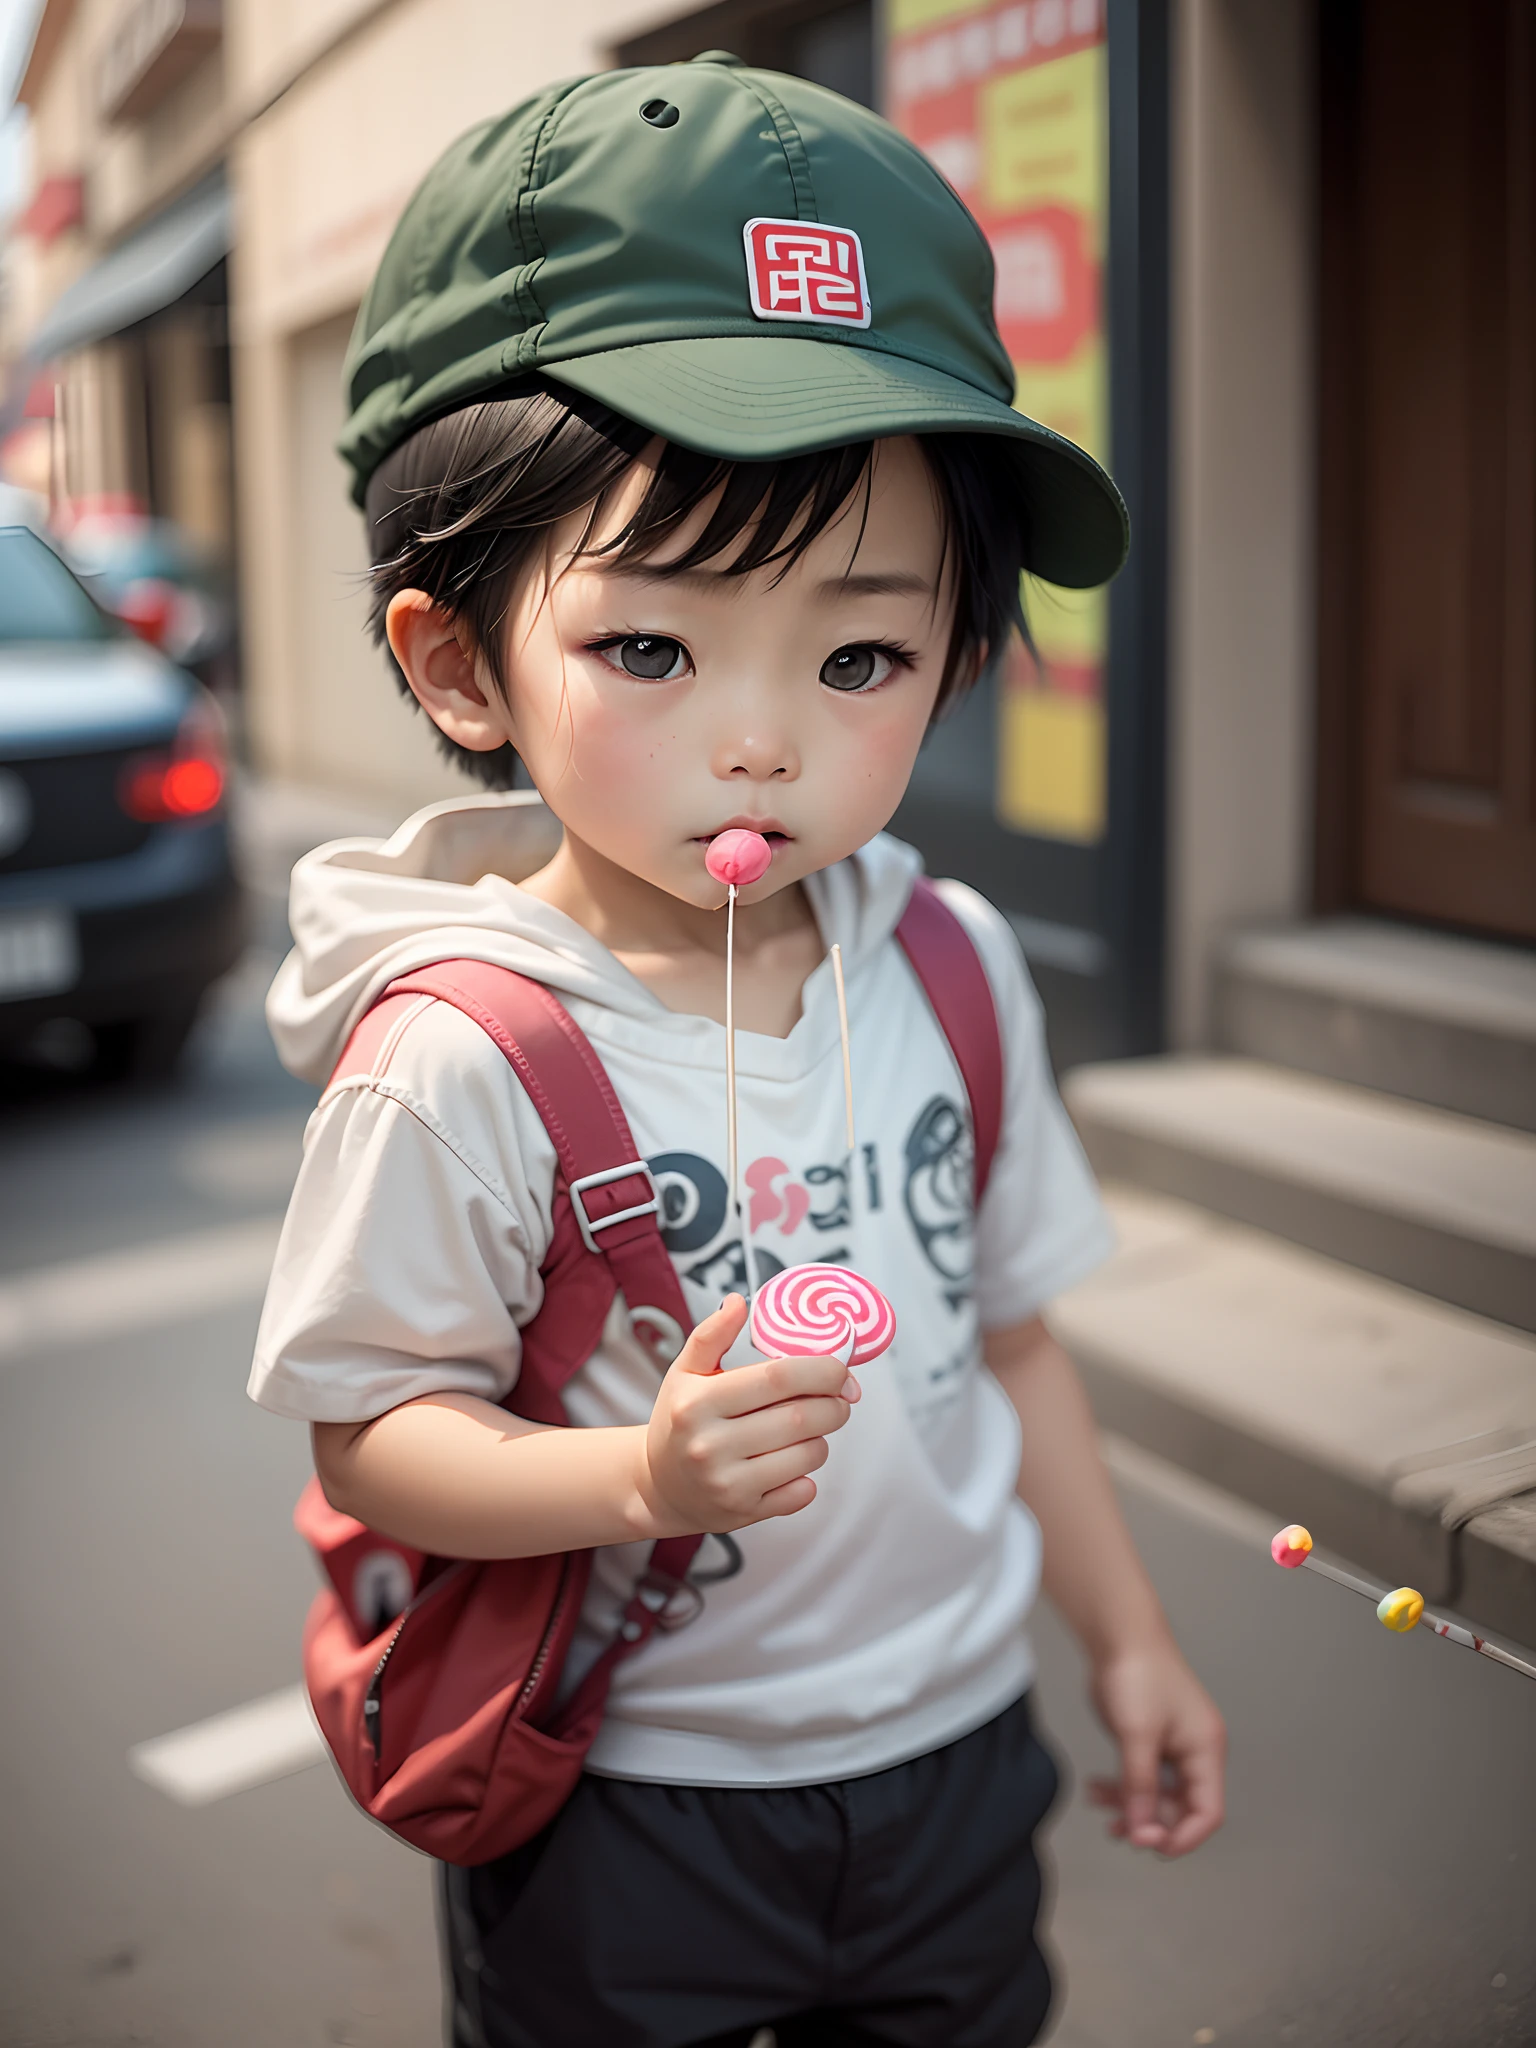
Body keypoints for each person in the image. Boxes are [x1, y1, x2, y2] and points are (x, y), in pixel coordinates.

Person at [250, 52, 1225, 2048]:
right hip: (633, 1800)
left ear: (956, 651)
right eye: (651, 648)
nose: (762, 738)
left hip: (959, 1750)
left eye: (860, 654)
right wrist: (641, 1468)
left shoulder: (949, 962)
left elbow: (1011, 1338)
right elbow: (376, 1432)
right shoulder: (462, 1050)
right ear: (458, 666)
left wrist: (1126, 1639)